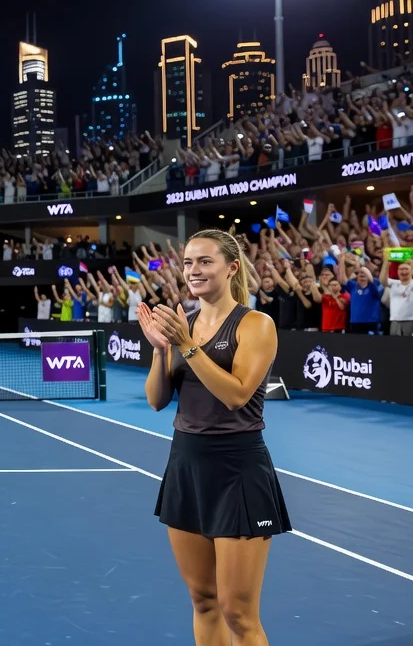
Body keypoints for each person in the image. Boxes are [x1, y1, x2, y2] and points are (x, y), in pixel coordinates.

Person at [139, 228, 289, 646]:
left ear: (232, 267)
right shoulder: (182, 325)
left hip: (237, 471)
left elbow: (237, 395)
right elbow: (156, 400)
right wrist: (159, 350)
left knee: (238, 614)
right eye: (188, 262)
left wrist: (186, 346)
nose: (194, 270)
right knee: (203, 600)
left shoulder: (257, 324)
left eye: (205, 261)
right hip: (186, 465)